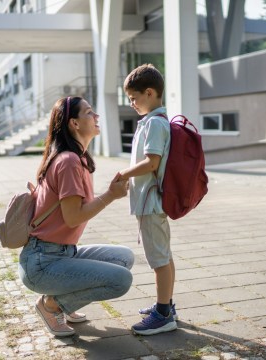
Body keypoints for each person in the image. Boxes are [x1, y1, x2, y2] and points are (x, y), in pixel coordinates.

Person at [18, 96, 134, 337]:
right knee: (121, 280)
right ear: (74, 123)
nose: (97, 116)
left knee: (124, 258)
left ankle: (64, 301)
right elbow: (73, 218)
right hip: (43, 263)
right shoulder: (69, 161)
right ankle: (51, 306)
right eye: (90, 112)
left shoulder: (75, 158)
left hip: (61, 253)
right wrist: (111, 195)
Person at [117, 64, 176, 336]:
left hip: (151, 204)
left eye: (133, 98)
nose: (132, 104)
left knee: (159, 260)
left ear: (149, 93)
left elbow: (152, 163)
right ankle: (167, 306)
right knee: (163, 256)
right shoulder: (154, 121)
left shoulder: (154, 123)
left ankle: (163, 314)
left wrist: (124, 173)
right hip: (151, 202)